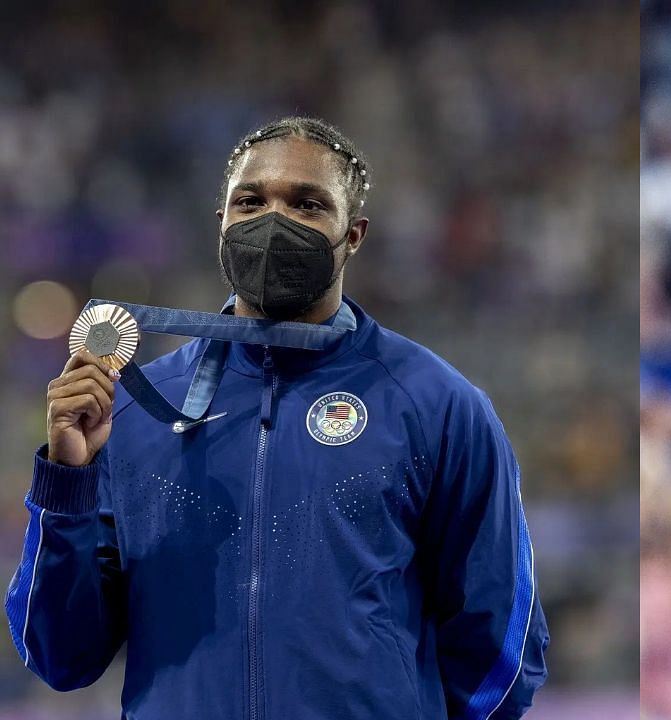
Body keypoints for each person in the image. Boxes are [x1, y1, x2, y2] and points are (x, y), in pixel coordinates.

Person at [4, 117, 549, 718]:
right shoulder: (132, 409)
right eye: (250, 201)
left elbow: (501, 647)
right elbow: (60, 656)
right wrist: (67, 483)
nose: (273, 222)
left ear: (354, 234)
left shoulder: (436, 405)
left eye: (308, 204)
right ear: (222, 223)